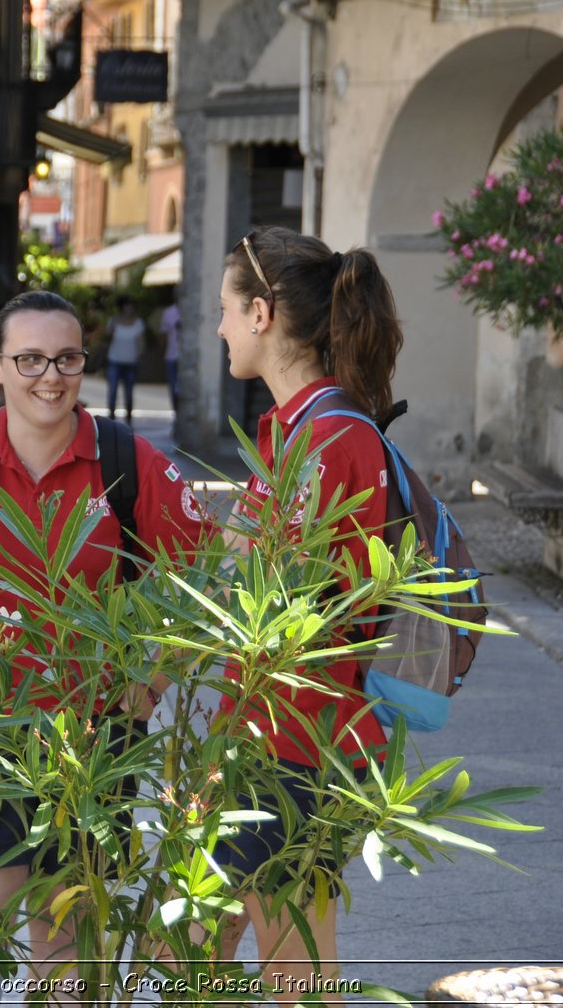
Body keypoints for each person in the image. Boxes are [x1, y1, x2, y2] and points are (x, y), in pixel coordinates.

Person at [0, 290, 212, 990]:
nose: (50, 376)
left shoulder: (128, 460)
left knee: (69, 947)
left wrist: (152, 680)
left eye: (67, 357)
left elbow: (201, 588)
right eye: (29, 358)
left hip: (93, 734)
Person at [210, 225, 401, 1004]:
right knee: (189, 943)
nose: (218, 326)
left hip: (301, 745)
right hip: (270, 736)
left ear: (260, 314)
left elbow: (293, 604)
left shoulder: (326, 435)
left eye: (225, 308)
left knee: (296, 972)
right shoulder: (297, 429)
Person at [103, 299, 147, 422]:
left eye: (131, 306)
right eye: (127, 306)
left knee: (129, 393)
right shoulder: (114, 321)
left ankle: (129, 419)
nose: (129, 309)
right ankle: (111, 418)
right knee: (112, 392)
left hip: (131, 362)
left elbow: (140, 342)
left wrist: (140, 356)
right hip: (114, 360)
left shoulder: (138, 323)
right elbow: (107, 337)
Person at [158, 298, 181, 413]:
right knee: (173, 389)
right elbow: (163, 333)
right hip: (171, 356)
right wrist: (162, 352)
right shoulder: (168, 312)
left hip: (183, 358)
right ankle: (176, 413)